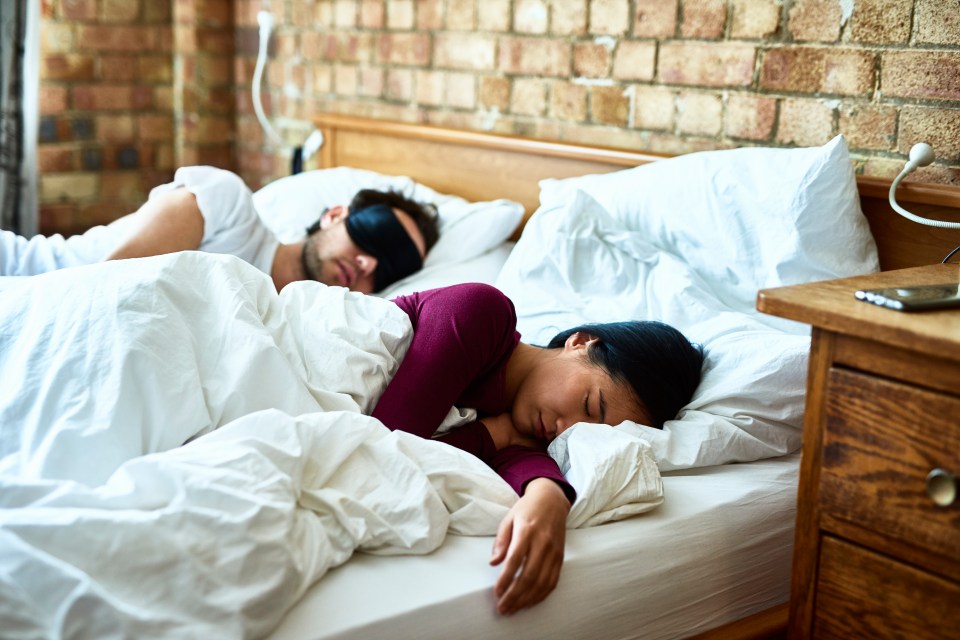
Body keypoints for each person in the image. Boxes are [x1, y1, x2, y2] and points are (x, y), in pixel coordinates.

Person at [372, 282, 705, 616]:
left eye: (585, 431)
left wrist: (550, 495)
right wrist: (490, 434)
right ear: (581, 343)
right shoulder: (481, 312)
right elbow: (381, 453)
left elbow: (525, 460)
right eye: (589, 405)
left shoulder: (530, 428)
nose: (565, 429)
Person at [0, 166, 440, 294]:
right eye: (372, 236)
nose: (368, 263)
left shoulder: (291, 328)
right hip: (22, 278)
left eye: (390, 271)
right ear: (334, 215)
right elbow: (97, 292)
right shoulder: (228, 206)